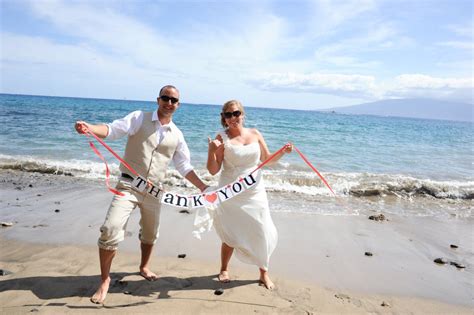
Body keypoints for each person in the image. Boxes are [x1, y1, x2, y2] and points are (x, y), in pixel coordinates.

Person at [75, 85, 208, 304]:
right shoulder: (139, 117)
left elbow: (184, 166)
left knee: (150, 233)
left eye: (174, 100)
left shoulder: (178, 134)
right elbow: (112, 130)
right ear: (158, 100)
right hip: (128, 186)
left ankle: (144, 266)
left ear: (178, 105)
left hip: (155, 192)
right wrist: (89, 127)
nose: (169, 103)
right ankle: (105, 280)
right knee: (110, 229)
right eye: (165, 98)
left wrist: (203, 187)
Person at [207, 100, 292, 290]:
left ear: (242, 114)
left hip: (254, 191)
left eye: (235, 113)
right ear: (224, 118)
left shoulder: (255, 133)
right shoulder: (221, 137)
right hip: (230, 192)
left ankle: (263, 273)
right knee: (230, 231)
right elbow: (213, 170)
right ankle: (223, 269)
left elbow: (267, 159)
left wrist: (283, 152)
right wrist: (211, 151)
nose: (232, 118)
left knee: (261, 229)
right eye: (227, 115)